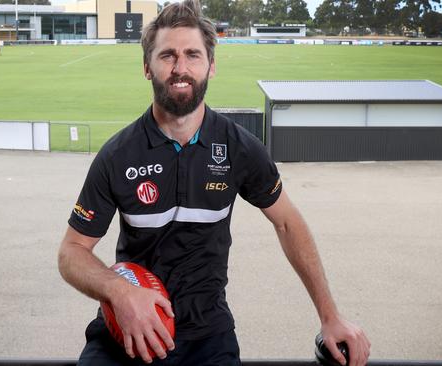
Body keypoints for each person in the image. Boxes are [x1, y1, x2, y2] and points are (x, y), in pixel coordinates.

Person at [57, 1, 371, 365]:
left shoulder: (240, 149)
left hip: (208, 335)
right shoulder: (117, 156)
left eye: (193, 55)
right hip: (127, 329)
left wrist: (329, 316)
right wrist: (120, 293)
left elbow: (288, 222)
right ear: (147, 67)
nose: (180, 68)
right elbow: (71, 251)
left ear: (211, 65)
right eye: (167, 56)